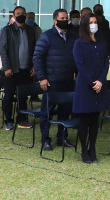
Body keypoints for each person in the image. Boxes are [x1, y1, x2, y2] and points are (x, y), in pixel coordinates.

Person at [33, 9, 77, 151]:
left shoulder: (72, 36)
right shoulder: (47, 36)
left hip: (68, 81)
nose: (65, 20)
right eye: (62, 18)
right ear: (55, 20)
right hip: (51, 82)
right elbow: (37, 58)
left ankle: (62, 137)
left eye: (66, 18)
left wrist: (76, 72)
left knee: (65, 112)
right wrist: (42, 78)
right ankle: (45, 139)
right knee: (47, 112)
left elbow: (76, 56)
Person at [73, 13, 110, 164]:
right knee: (84, 119)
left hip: (99, 85)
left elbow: (106, 62)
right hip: (85, 86)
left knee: (95, 119)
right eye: (90, 22)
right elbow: (80, 65)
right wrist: (93, 82)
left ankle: (93, 149)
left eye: (95, 22)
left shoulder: (102, 42)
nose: (93, 25)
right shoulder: (79, 43)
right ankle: (84, 150)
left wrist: (101, 80)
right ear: (85, 25)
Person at [0, 6, 37, 131]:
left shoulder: (31, 30)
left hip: (26, 69)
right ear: (14, 16)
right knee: (9, 96)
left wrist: (34, 65)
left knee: (23, 96)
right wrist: (7, 67)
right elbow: (3, 51)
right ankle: (8, 120)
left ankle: (22, 120)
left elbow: (34, 50)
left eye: (22, 13)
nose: (20, 15)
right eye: (18, 13)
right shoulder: (7, 30)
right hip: (12, 69)